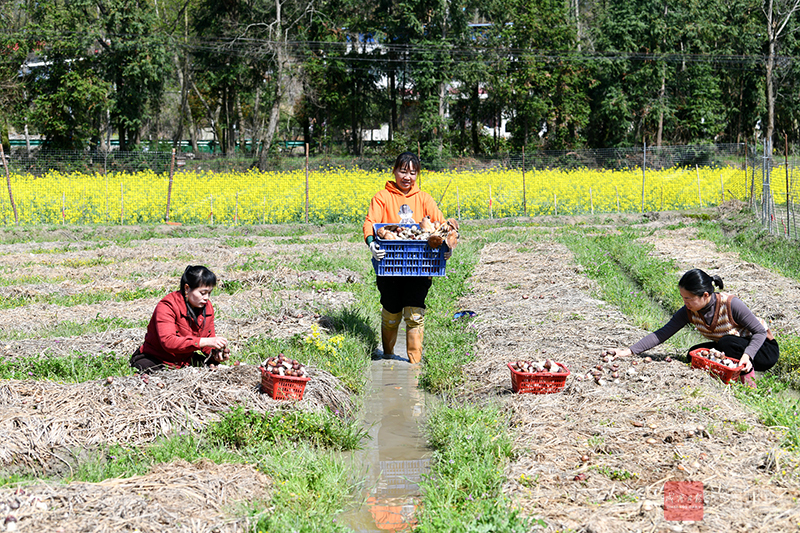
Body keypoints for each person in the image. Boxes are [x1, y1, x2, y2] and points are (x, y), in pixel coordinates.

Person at [362, 152, 458, 364]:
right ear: (394, 171)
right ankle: (388, 356)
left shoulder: (424, 198)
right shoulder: (382, 197)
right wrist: (372, 244)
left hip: (420, 264)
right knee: (391, 309)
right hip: (390, 263)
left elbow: (442, 226)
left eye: (412, 172)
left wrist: (448, 246)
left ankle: (415, 365)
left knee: (415, 312)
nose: (407, 176)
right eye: (403, 171)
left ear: (417, 175)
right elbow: (370, 223)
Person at [610, 268, 778, 387]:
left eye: (689, 299)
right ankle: (725, 376)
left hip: (762, 348)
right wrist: (628, 351)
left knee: (726, 344)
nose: (685, 303)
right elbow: (662, 334)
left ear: (705, 295)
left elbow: (760, 332)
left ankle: (749, 384)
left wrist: (747, 356)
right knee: (694, 354)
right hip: (734, 345)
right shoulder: (689, 311)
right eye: (683, 298)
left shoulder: (731, 304)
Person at [130, 265, 229, 373]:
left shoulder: (207, 307)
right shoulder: (167, 306)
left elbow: (208, 340)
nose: (206, 298)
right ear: (187, 288)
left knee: (216, 369)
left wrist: (216, 354)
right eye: (202, 293)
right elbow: (168, 342)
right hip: (157, 359)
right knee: (160, 377)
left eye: (209, 293)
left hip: (184, 359)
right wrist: (204, 341)